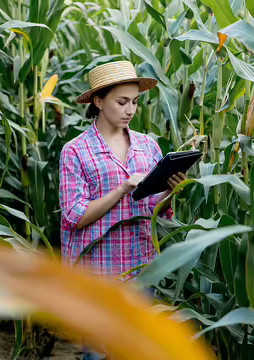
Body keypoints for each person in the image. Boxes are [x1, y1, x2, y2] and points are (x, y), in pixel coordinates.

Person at [59, 61, 186, 359]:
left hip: (140, 265)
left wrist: (171, 190)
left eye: (135, 102)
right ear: (99, 101)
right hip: (97, 272)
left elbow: (159, 213)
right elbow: (73, 217)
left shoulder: (148, 147)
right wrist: (121, 190)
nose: (130, 110)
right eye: (122, 101)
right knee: (97, 353)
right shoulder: (75, 151)